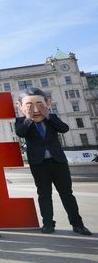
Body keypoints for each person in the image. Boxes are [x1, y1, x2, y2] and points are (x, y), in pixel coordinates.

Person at [15, 87, 92, 235]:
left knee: (67, 194)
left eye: (39, 104)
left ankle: (78, 224)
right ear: (20, 107)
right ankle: (48, 224)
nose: (35, 109)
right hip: (38, 164)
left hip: (58, 162)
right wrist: (29, 118)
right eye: (29, 105)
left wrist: (48, 115)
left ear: (48, 103)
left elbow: (64, 129)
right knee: (44, 194)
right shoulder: (21, 121)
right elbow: (21, 132)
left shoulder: (52, 118)